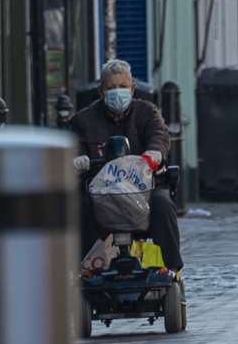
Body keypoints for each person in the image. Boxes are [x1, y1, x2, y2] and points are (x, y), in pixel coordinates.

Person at [69, 59, 183, 273]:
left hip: (144, 191)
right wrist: (76, 160)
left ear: (132, 88)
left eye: (123, 87)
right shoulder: (83, 121)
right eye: (111, 88)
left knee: (162, 203)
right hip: (100, 194)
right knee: (81, 207)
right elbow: (71, 146)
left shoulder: (147, 112)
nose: (117, 92)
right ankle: (86, 269)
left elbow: (159, 135)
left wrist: (153, 154)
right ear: (102, 92)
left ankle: (171, 268)